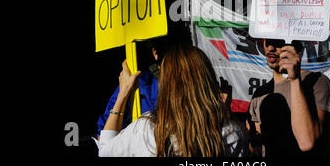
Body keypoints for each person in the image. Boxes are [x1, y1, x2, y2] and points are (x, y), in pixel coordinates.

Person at [97, 43, 248, 157]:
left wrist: (122, 94)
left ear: (166, 82)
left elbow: (104, 151)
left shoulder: (148, 130)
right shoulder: (232, 132)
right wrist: (223, 111)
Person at [247, 39, 330, 157]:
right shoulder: (260, 94)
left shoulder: (316, 81)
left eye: (277, 42)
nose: (270, 48)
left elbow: (307, 142)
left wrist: (295, 80)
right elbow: (257, 150)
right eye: (266, 43)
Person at [96, 37, 168, 136]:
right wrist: (123, 93)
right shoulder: (138, 83)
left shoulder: (189, 85)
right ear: (154, 53)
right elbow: (104, 137)